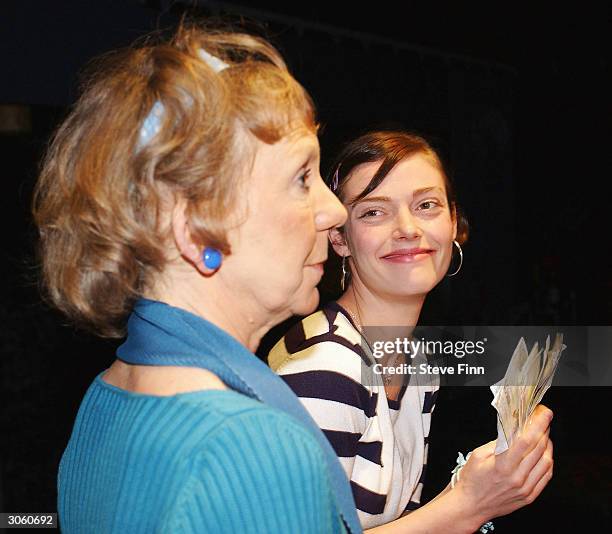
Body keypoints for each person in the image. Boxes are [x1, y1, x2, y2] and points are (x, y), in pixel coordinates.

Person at [33, 22, 363, 533]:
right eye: (302, 176)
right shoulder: (253, 448)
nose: (334, 210)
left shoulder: (106, 398)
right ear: (195, 231)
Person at [269, 131, 554, 531]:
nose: (407, 228)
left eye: (427, 205)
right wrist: (468, 504)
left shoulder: (416, 363)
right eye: (373, 212)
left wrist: (485, 487)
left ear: (454, 222)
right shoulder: (326, 365)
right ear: (339, 238)